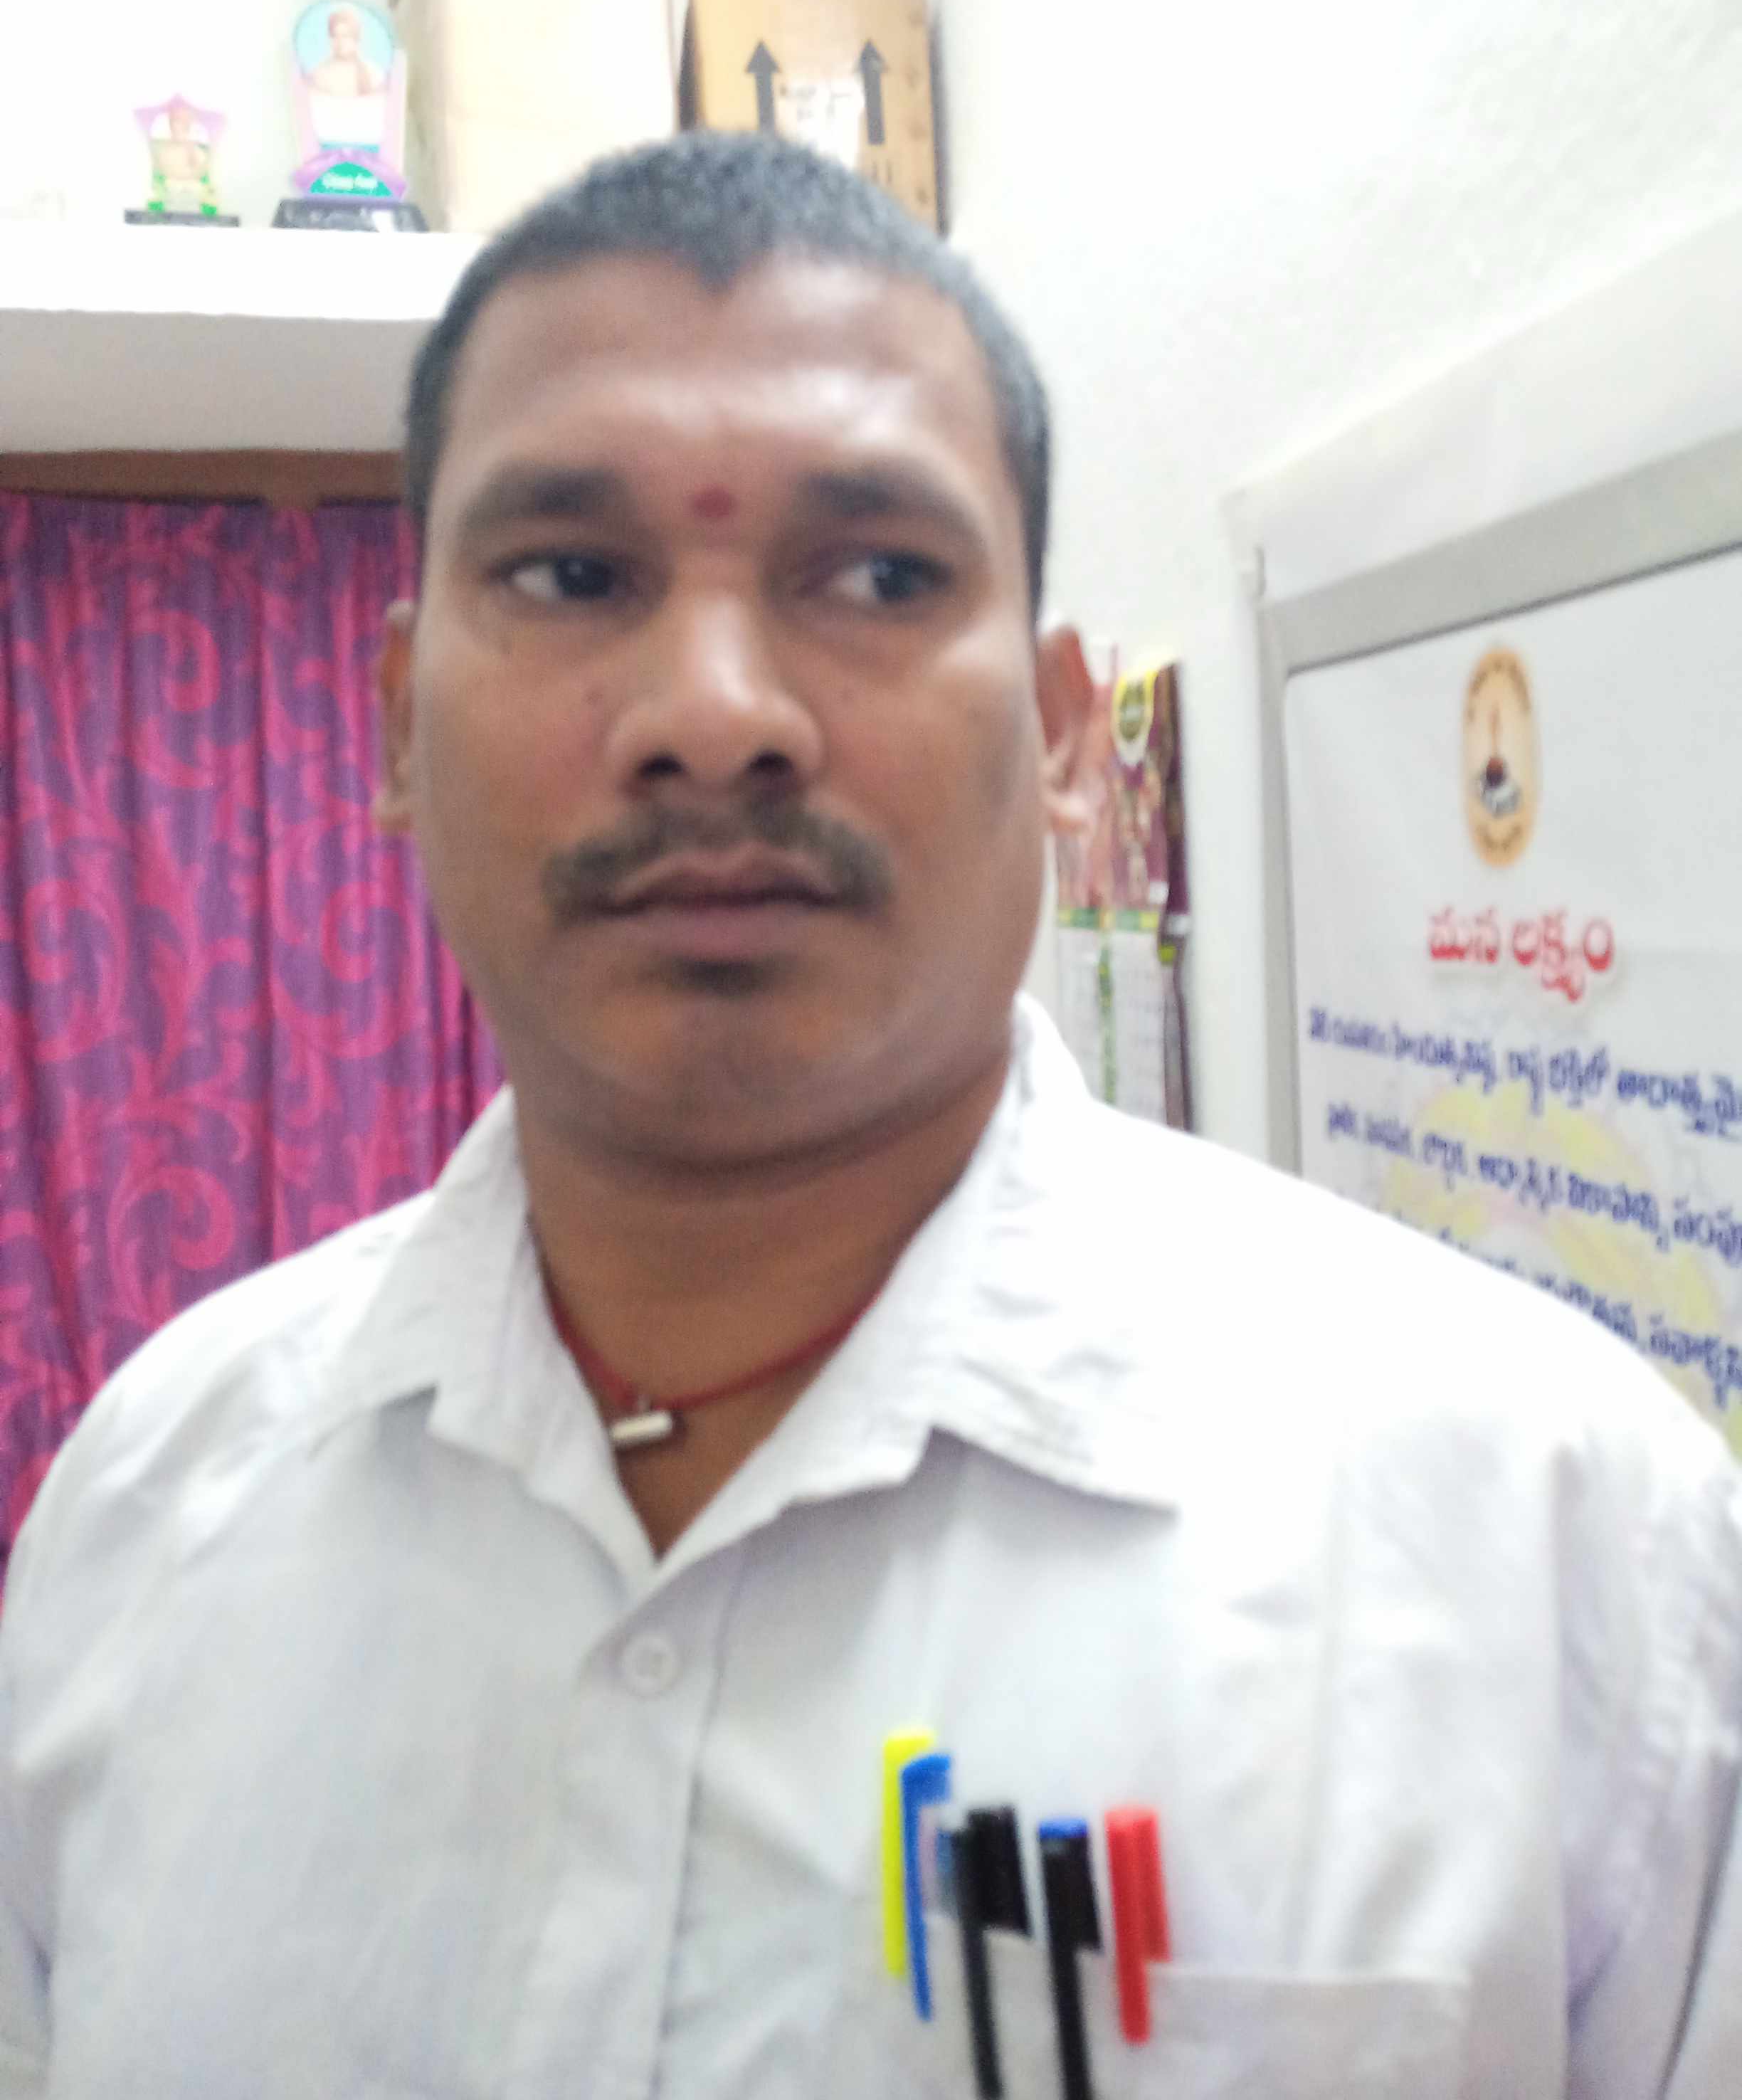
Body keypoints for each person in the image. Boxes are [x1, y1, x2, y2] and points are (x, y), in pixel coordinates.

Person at [0, 134, 1736, 2099]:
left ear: (1066, 738)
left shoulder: (1568, 1563)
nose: (714, 712)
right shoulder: (146, 1519)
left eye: (881, 575)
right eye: (572, 573)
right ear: (397, 723)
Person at [307, 4, 386, 98]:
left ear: (356, 39)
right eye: (335, 36)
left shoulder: (372, 73)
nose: (340, 42)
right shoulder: (319, 74)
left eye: (345, 36)